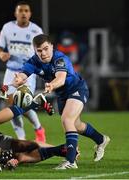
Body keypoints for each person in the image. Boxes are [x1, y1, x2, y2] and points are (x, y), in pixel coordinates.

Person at [13, 34, 110, 169]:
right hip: (62, 95)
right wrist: (18, 79)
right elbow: (23, 74)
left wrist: (51, 85)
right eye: (39, 50)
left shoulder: (60, 59)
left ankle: (70, 161)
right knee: (76, 125)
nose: (43, 53)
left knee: (67, 120)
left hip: (77, 89)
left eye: (46, 48)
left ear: (52, 47)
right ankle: (101, 140)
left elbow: (61, 78)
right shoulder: (34, 61)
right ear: (35, 50)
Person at [0, 1, 46, 142]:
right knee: (11, 104)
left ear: (30, 13)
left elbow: (43, 51)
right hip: (11, 71)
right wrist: (1, 55)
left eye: (26, 10)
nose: (23, 13)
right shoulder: (7, 28)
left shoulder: (36, 31)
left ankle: (38, 128)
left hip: (27, 72)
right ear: (15, 13)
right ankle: (21, 139)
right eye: (21, 10)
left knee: (23, 102)